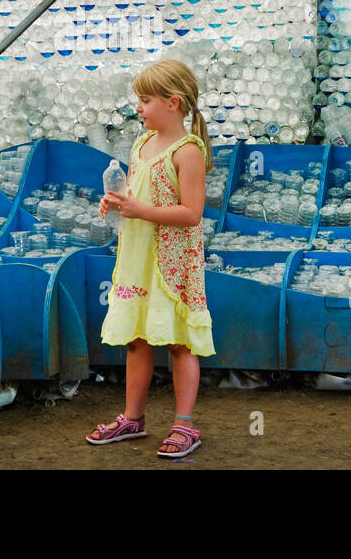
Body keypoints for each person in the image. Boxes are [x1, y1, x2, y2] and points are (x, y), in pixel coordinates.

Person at [87, 58, 215, 458]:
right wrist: (117, 199)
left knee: (179, 342)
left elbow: (191, 213)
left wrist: (141, 210)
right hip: (137, 256)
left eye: (144, 100)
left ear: (172, 102)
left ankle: (185, 425)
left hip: (173, 264)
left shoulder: (188, 151)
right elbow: (136, 191)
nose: (138, 108)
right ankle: (132, 418)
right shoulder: (141, 144)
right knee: (137, 337)